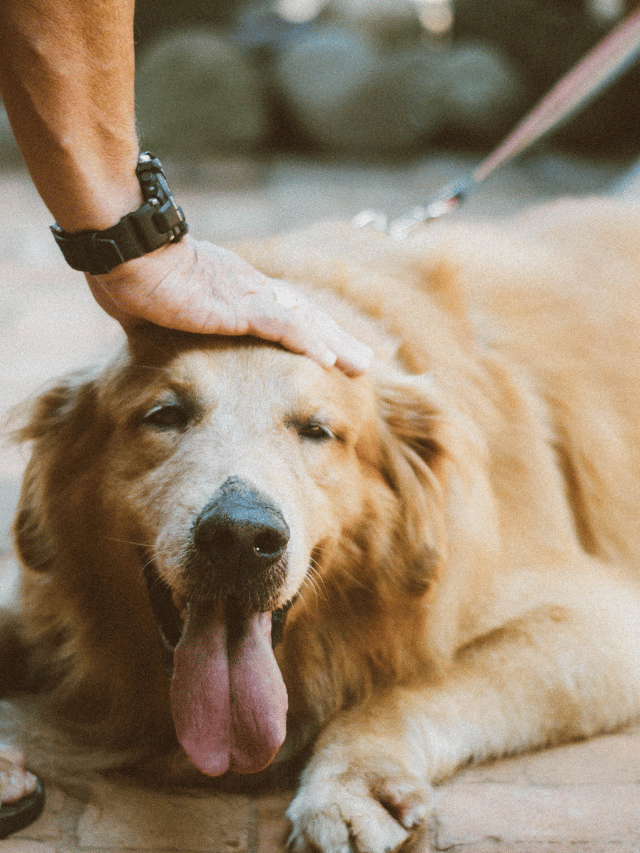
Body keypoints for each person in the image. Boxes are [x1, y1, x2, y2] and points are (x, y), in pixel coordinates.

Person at [0, 0, 372, 831]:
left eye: (313, 430)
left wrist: (394, 737)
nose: (238, 513)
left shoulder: (417, 450)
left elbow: (601, 640)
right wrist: (132, 243)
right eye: (167, 414)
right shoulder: (71, 461)